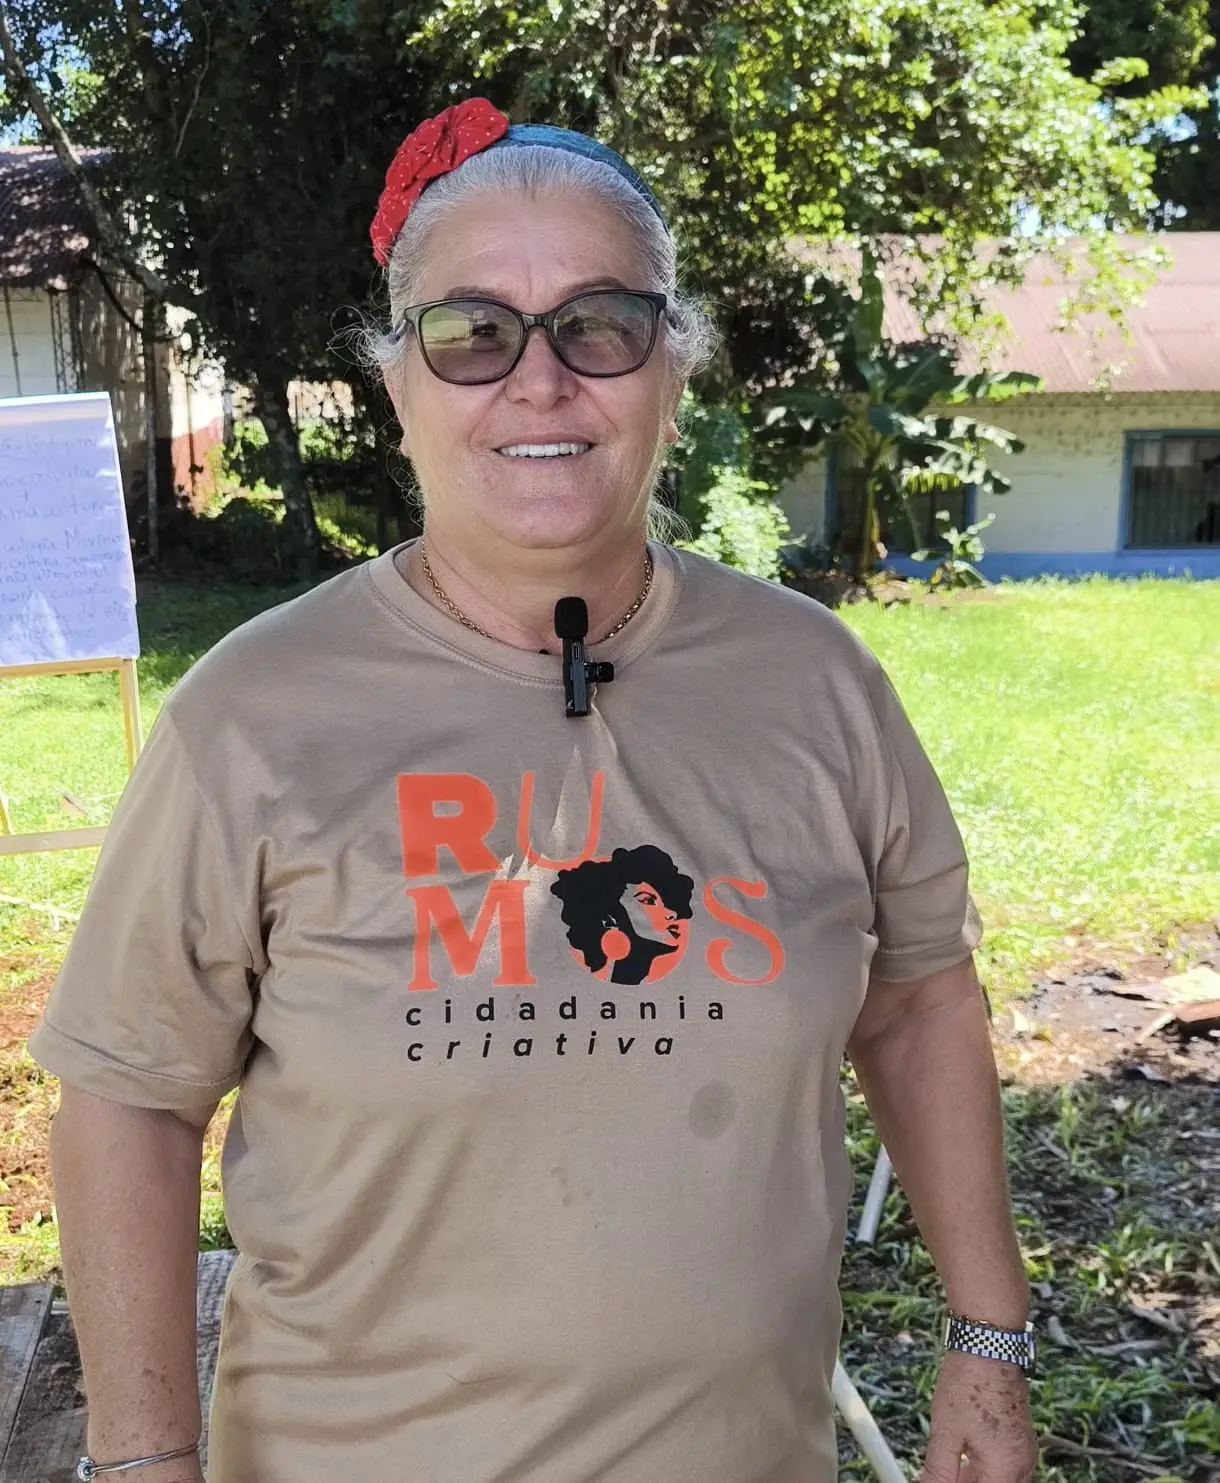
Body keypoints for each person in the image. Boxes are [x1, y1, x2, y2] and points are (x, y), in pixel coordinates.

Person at [29, 98, 1039, 1483]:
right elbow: (129, 1100)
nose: (540, 379)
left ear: (672, 369)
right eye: (472, 332)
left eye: (600, 324)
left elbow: (920, 999)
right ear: (399, 384)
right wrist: (145, 1461)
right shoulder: (250, 718)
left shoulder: (816, 683)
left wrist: (989, 1336)